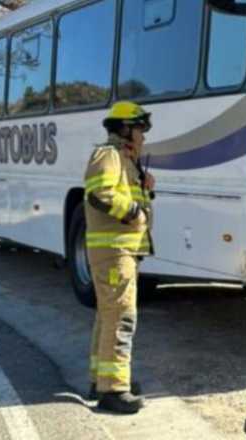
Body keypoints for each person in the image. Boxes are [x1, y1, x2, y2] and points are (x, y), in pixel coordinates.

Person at [83, 101, 154, 414]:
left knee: (109, 314)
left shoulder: (125, 159)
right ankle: (113, 390)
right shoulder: (108, 154)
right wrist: (134, 211)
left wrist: (145, 190)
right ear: (125, 129)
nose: (143, 136)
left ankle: (102, 379)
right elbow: (100, 194)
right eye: (140, 129)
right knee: (122, 317)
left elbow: (118, 193)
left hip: (121, 251)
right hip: (114, 252)